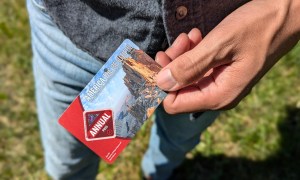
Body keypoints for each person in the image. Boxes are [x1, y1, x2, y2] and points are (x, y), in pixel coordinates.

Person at [26, 0, 300, 179]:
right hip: (77, 34)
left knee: (177, 144)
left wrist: (288, 9)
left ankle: (157, 173)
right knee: (68, 164)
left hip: (215, 44)